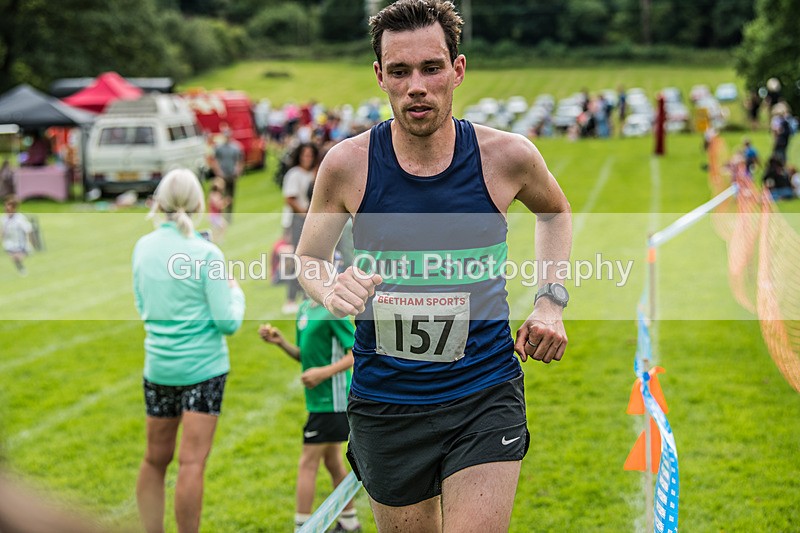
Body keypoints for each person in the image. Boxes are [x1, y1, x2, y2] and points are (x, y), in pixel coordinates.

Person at [294, 1, 572, 530]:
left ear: (457, 70)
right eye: (399, 71)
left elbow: (555, 211)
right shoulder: (348, 165)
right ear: (380, 76)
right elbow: (309, 258)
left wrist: (549, 300)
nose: (416, 85)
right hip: (386, 402)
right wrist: (330, 289)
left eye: (431, 68)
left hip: (484, 392)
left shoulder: (506, 156)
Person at [132, 168, 245, 533]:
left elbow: (141, 304)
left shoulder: (143, 247)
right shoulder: (207, 253)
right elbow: (228, 322)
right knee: (191, 463)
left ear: (159, 203)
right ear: (198, 203)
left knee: (154, 460)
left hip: (159, 366)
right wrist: (236, 291)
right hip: (203, 368)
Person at [258, 304, 361, 533]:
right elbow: (305, 356)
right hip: (318, 402)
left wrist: (323, 373)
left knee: (308, 462)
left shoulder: (333, 310)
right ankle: (350, 522)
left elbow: (355, 352)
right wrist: (281, 343)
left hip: (331, 402)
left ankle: (302, 528)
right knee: (332, 461)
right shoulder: (304, 308)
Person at [281, 142, 318, 314]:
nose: (307, 159)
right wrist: (305, 212)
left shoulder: (316, 171)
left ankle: (308, 294)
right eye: (305, 155)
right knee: (297, 258)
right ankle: (291, 297)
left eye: (310, 155)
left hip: (314, 219)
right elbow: (289, 198)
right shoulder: (294, 174)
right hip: (299, 220)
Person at [210, 125, 244, 221]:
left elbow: (239, 161)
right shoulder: (219, 148)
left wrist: (238, 171)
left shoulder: (235, 147)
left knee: (230, 195)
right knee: (220, 196)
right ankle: (219, 216)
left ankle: (229, 216)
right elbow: (215, 160)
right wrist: (218, 172)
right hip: (222, 175)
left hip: (231, 175)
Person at [2, 195, 33, 275]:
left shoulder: (19, 218)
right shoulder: (4, 218)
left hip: (20, 242)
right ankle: (21, 269)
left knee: (17, 257)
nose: (6, 209)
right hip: (9, 242)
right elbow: (2, 230)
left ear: (14, 208)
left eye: (9, 207)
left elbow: (28, 229)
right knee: (14, 258)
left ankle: (22, 266)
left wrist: (30, 243)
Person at [207, 177, 229, 244]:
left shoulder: (213, 194)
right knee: (220, 227)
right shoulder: (215, 195)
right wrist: (225, 202)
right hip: (214, 215)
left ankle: (216, 240)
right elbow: (218, 205)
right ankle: (216, 240)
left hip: (215, 215)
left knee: (219, 228)